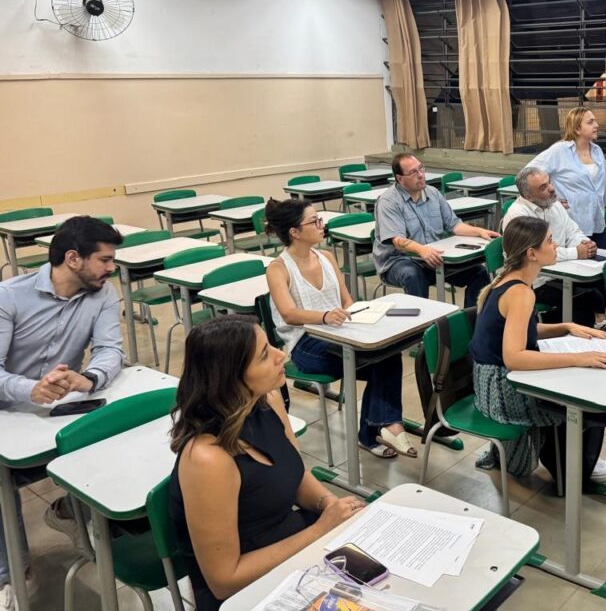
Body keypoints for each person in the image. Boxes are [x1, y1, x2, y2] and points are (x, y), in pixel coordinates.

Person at [169, 316, 366, 610]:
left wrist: (329, 504)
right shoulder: (208, 459)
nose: (281, 355)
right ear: (231, 378)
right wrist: (320, 529)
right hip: (246, 591)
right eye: (264, 355)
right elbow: (224, 580)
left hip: (292, 550)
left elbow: (294, 473)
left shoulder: (267, 400)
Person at [472, 217, 606, 483]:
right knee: (589, 389)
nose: (556, 246)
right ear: (532, 254)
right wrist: (579, 358)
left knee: (592, 369)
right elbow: (514, 357)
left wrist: (567, 327)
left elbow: (519, 330)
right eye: (550, 241)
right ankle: (599, 456)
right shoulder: (520, 293)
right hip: (501, 392)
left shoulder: (512, 280)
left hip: (494, 380)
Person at [0, 216, 124, 609]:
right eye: (104, 260)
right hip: (8, 409)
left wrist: (89, 377)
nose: (111, 268)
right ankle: (11, 574)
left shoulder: (102, 293)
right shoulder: (9, 296)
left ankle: (78, 511)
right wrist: (29, 388)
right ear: (73, 258)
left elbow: (110, 349)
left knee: (120, 431)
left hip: (63, 406)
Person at [265, 198, 413, 458]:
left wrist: (362, 316)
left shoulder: (326, 257)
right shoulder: (278, 268)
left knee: (387, 354)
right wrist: (324, 316)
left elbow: (346, 300)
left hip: (340, 333)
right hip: (306, 344)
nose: (321, 225)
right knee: (380, 363)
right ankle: (379, 430)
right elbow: (288, 314)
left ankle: (384, 426)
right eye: (314, 221)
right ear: (294, 232)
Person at [373, 153, 498, 307]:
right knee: (413, 275)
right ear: (400, 179)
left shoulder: (432, 193)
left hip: (434, 258)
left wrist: (480, 231)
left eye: (421, 169)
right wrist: (422, 250)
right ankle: (420, 329)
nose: (420, 175)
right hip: (398, 261)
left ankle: (471, 324)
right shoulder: (388, 201)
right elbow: (397, 241)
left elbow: (454, 225)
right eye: (413, 172)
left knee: (479, 272)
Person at [502, 166, 606, 330]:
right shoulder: (518, 215)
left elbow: (572, 231)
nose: (552, 189)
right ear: (528, 195)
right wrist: (576, 252)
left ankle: (596, 324)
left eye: (549, 182)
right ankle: (550, 324)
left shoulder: (554, 204)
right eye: (543, 187)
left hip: (562, 268)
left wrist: (583, 243)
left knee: (598, 281)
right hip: (537, 280)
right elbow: (537, 254)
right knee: (585, 301)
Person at [527, 107, 606, 248]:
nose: (596, 125)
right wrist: (549, 201)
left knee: (603, 262)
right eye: (590, 122)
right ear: (577, 129)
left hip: (597, 222)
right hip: (572, 224)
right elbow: (528, 174)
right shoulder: (560, 150)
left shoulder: (597, 150)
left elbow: (605, 187)